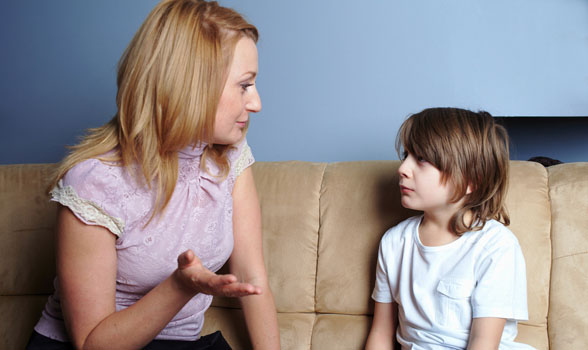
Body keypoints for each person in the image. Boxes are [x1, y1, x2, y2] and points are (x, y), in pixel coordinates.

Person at [27, 0, 280, 349]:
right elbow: (91, 343)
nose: (256, 103)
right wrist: (180, 286)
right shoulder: (92, 182)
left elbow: (253, 279)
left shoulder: (231, 157)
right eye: (244, 85)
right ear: (191, 87)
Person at [365, 108, 535, 349]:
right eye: (406, 155)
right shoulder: (394, 242)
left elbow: (484, 343)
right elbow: (381, 333)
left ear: (470, 180)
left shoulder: (496, 245)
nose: (402, 168)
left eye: (422, 159)